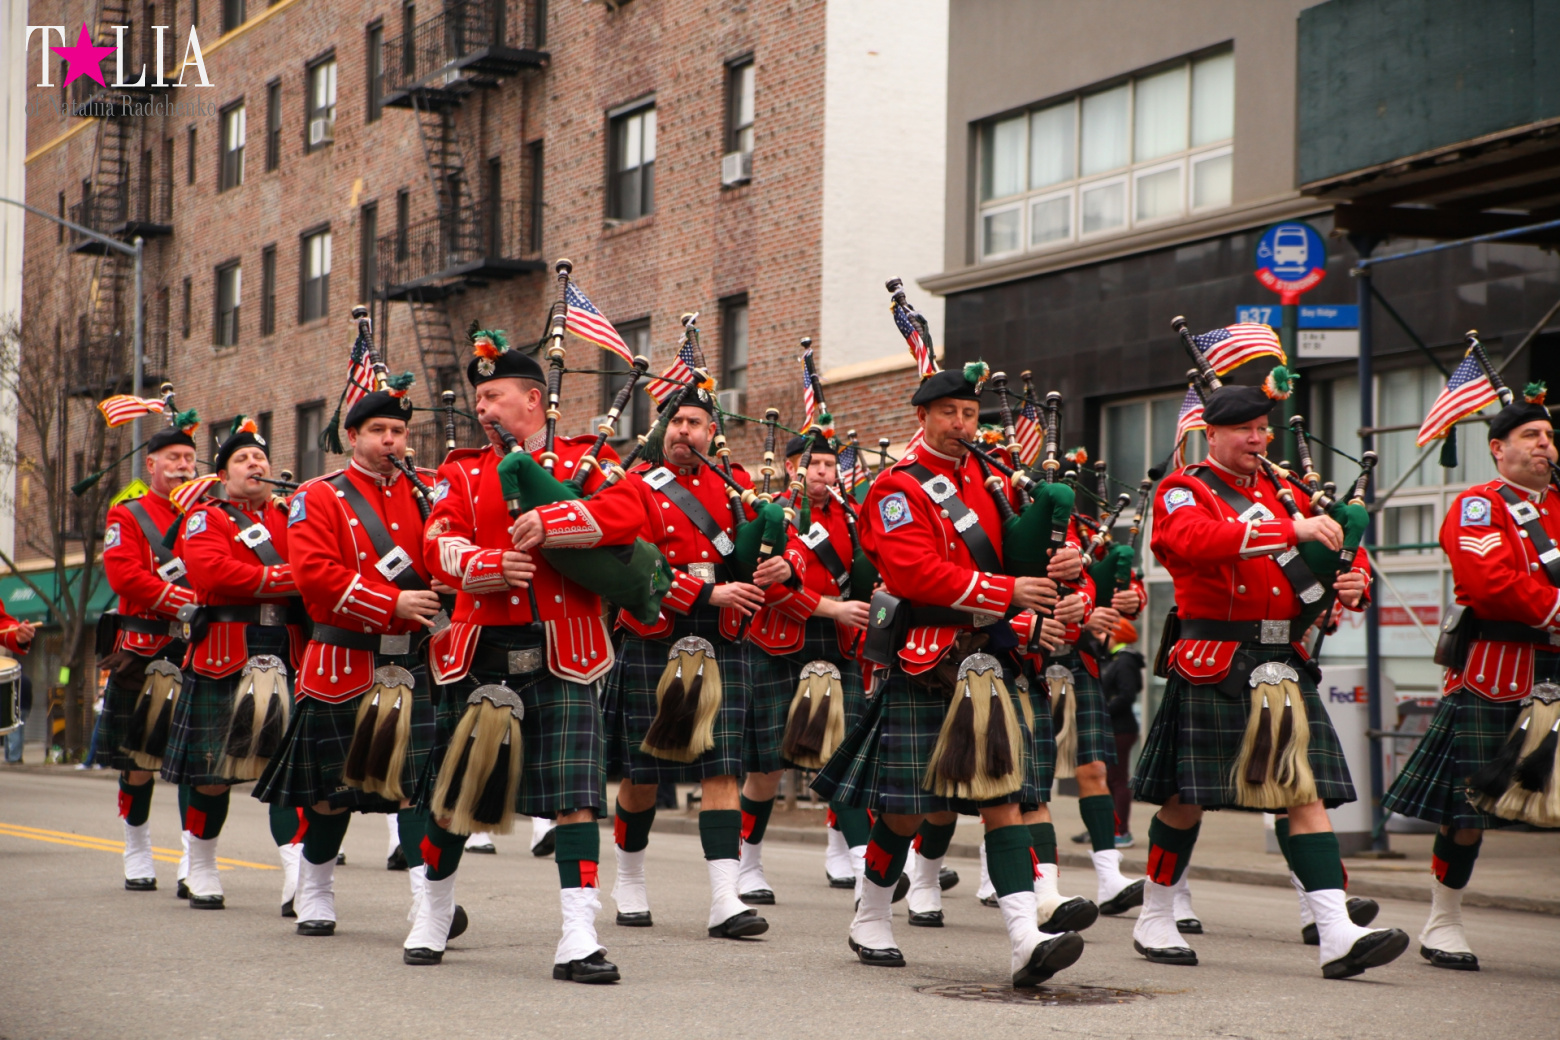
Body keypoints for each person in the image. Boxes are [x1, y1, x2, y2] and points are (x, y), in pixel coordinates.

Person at [812, 363, 1085, 989]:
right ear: (923, 419)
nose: (962, 424)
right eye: (949, 415)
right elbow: (912, 574)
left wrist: (1063, 564)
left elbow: (1027, 553)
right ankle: (871, 913)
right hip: (929, 657)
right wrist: (1007, 589)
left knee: (1004, 799)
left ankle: (1024, 938)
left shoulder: (992, 482)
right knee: (907, 812)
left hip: (993, 655)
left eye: (969, 414)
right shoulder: (895, 488)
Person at [1132, 382, 1408, 978]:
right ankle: (1155, 913)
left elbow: (1328, 556)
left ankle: (1336, 931)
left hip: (1282, 661)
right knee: (1186, 800)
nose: (1258, 440)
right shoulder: (1185, 489)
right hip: (1216, 658)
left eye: (1263, 429)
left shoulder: (1284, 491)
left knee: (1303, 791)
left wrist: (1347, 585)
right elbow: (1191, 542)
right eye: (1245, 431)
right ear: (1213, 433)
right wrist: (1293, 531)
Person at [416, 338, 644, 982]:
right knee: (459, 796)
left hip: (564, 652)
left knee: (576, 799)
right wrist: (488, 568)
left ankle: (578, 936)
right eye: (478, 397)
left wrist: (557, 522)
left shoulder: (585, 460)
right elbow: (437, 545)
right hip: (480, 650)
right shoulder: (458, 471)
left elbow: (631, 516)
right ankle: (432, 911)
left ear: (534, 400)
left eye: (494, 395)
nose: (482, 407)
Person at [254, 384, 449, 941]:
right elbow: (313, 573)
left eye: (399, 432)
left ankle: (425, 901)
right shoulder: (319, 496)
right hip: (343, 660)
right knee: (329, 793)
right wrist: (392, 601)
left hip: (413, 660)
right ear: (354, 437)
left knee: (415, 785)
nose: (391, 441)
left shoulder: (428, 491)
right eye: (379, 432)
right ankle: (315, 889)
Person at [1382, 389, 1558, 971]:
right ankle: (1444, 920)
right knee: (1467, 813)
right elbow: (1492, 583)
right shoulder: (1478, 507)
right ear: (1497, 449)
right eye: (1532, 436)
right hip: (1499, 673)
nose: (1544, 445)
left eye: (1549, 437)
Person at [603, 389, 772, 942]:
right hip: (659, 633)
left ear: (712, 433)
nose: (683, 431)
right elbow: (633, 567)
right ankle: (628, 879)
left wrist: (781, 566)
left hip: (722, 640)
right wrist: (706, 596)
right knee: (642, 773)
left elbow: (777, 545)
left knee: (722, 768)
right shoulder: (636, 487)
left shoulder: (738, 490)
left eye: (694, 422)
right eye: (675, 421)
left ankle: (725, 898)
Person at [161, 419, 305, 910]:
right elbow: (213, 572)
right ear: (224, 473)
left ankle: (296, 877)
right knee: (211, 773)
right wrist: (291, 579)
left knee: (288, 773)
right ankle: (200, 865)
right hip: (226, 650)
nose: (256, 465)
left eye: (261, 459)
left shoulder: (291, 516)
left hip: (285, 649)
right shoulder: (207, 518)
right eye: (244, 459)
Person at [741, 431, 873, 906]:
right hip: (779, 642)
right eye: (812, 463)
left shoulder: (851, 516)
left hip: (838, 643)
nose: (821, 472)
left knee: (842, 759)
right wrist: (831, 609)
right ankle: (747, 865)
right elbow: (765, 586)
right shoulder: (771, 511)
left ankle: (863, 867)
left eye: (828, 464)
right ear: (792, 466)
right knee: (767, 768)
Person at [92, 419, 199, 890]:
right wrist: (183, 603)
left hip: (201, 649)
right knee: (137, 761)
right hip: (145, 648)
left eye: (189, 459)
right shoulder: (128, 515)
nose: (182, 466)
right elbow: (125, 577)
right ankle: (136, 845)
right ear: (150, 464)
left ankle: (193, 857)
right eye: (173, 459)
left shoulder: (209, 513)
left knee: (199, 761)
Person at [1099, 620, 1143, 848]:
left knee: (1117, 780)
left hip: (1120, 729)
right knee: (1109, 780)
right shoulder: (1117, 659)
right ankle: (1107, 827)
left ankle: (1121, 831)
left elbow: (1127, 695)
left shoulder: (1124, 661)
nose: (1099, 637)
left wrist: (1102, 712)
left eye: (1103, 633)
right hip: (1116, 728)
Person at [6, 674, 34, 763]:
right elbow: (30, 696)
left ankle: (13, 757)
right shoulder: (27, 680)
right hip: (24, 709)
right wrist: (28, 708)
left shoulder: (10, 680)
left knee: (12, 733)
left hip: (12, 709)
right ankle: (18, 756)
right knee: (20, 733)